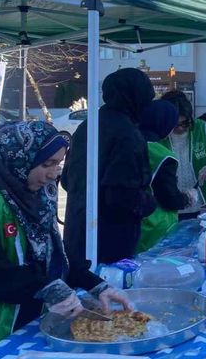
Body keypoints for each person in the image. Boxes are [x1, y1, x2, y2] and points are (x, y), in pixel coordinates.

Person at [0, 121, 130, 354]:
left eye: (58, 164)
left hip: (25, 327)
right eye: (47, 164)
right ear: (19, 160)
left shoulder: (35, 195)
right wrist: (49, 288)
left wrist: (94, 284)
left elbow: (54, 256)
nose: (54, 173)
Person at [61, 68, 156, 264]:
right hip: (111, 238)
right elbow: (122, 196)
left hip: (77, 229)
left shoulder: (88, 125)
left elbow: (66, 179)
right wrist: (149, 203)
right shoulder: (128, 134)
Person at [136, 100, 198, 252]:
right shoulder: (163, 155)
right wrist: (187, 197)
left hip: (132, 221)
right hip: (156, 228)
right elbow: (168, 198)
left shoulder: (130, 143)